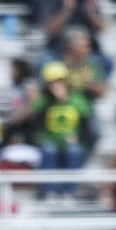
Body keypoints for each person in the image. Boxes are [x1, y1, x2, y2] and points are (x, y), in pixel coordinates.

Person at [32, 61, 91, 201]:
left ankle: (68, 192)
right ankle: (49, 192)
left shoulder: (77, 100)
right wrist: (54, 101)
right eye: (52, 82)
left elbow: (87, 127)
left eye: (59, 81)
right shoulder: (43, 101)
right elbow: (36, 124)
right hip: (50, 142)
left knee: (74, 151)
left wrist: (78, 136)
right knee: (48, 150)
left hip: (70, 144)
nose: (56, 85)